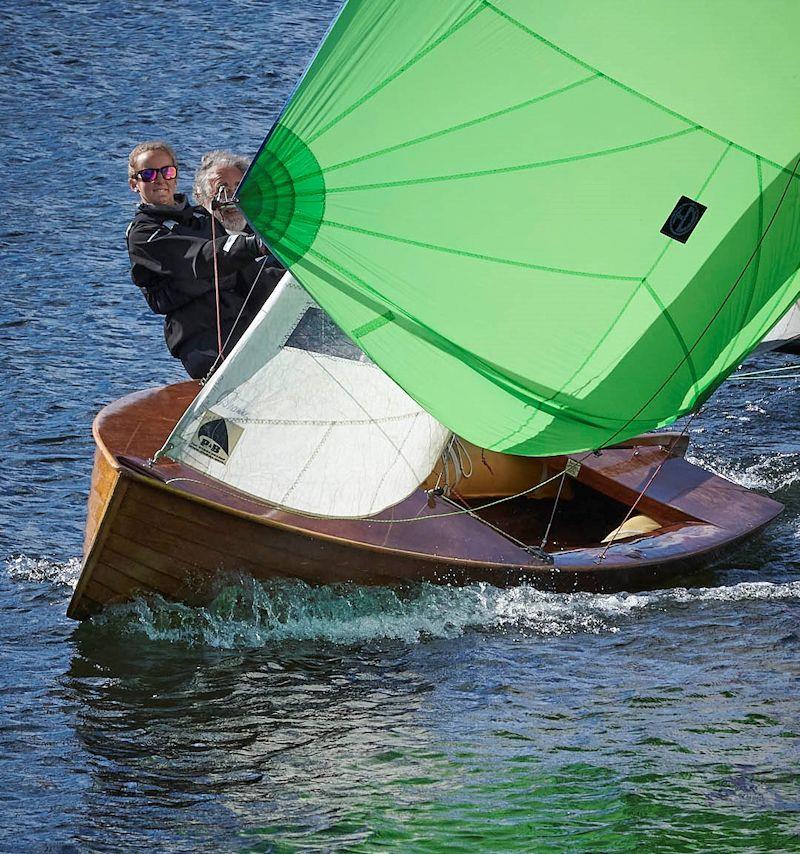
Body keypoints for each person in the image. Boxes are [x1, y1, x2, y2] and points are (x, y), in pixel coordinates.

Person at [126, 141, 283, 379]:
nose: (160, 180)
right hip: (201, 338)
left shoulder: (202, 219)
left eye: (167, 172)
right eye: (148, 174)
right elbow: (199, 258)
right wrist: (254, 245)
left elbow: (249, 278)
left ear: (175, 176)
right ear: (134, 184)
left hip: (243, 323)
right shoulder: (144, 234)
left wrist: (298, 274)